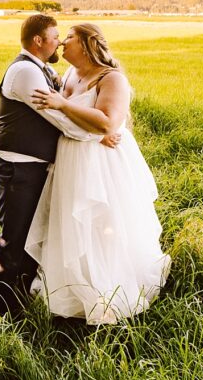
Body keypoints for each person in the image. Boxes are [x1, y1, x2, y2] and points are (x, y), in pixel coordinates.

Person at [26, 23, 170, 325]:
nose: (63, 43)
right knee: (71, 222)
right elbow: (63, 117)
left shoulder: (112, 78)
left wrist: (69, 108)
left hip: (101, 163)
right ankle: (72, 289)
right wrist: (83, 125)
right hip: (72, 157)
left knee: (101, 222)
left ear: (89, 44)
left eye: (70, 38)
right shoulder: (70, 74)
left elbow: (108, 123)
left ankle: (108, 289)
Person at [0, 14, 119, 317]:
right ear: (38, 41)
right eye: (55, 35)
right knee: (13, 239)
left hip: (34, 167)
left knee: (33, 236)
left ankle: (20, 297)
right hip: (18, 169)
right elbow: (58, 118)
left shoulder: (45, 70)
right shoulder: (24, 71)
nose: (59, 41)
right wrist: (97, 136)